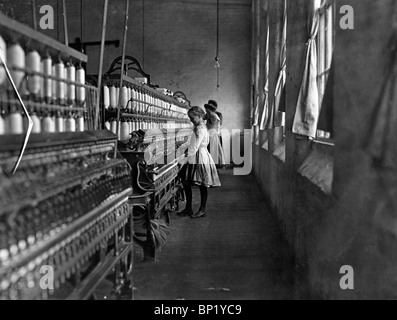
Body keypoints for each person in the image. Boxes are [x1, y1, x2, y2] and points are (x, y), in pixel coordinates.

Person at [178, 106, 221, 218]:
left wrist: (182, 160)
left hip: (199, 157)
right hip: (197, 155)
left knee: (202, 184)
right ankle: (188, 208)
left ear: (199, 116)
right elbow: (191, 142)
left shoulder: (200, 129)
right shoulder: (200, 126)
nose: (191, 120)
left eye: (192, 118)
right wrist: (181, 147)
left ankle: (202, 209)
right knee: (186, 182)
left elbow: (194, 148)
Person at [204, 100, 226, 168]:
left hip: (214, 135)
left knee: (214, 152)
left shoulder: (216, 116)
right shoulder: (208, 114)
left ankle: (214, 167)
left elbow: (214, 127)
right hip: (210, 134)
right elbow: (202, 120)